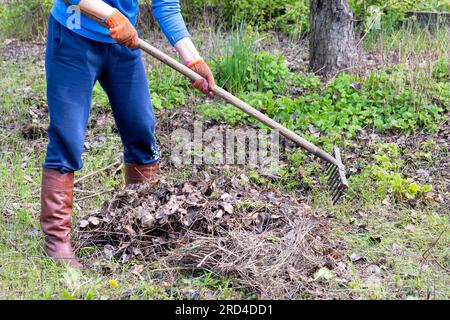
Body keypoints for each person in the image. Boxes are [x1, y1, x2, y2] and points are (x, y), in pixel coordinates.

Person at [41, 0, 216, 268]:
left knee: (141, 130)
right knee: (68, 136)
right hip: (74, 38)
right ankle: (56, 239)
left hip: (123, 42)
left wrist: (192, 58)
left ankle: (138, 220)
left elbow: (166, 5)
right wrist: (111, 15)